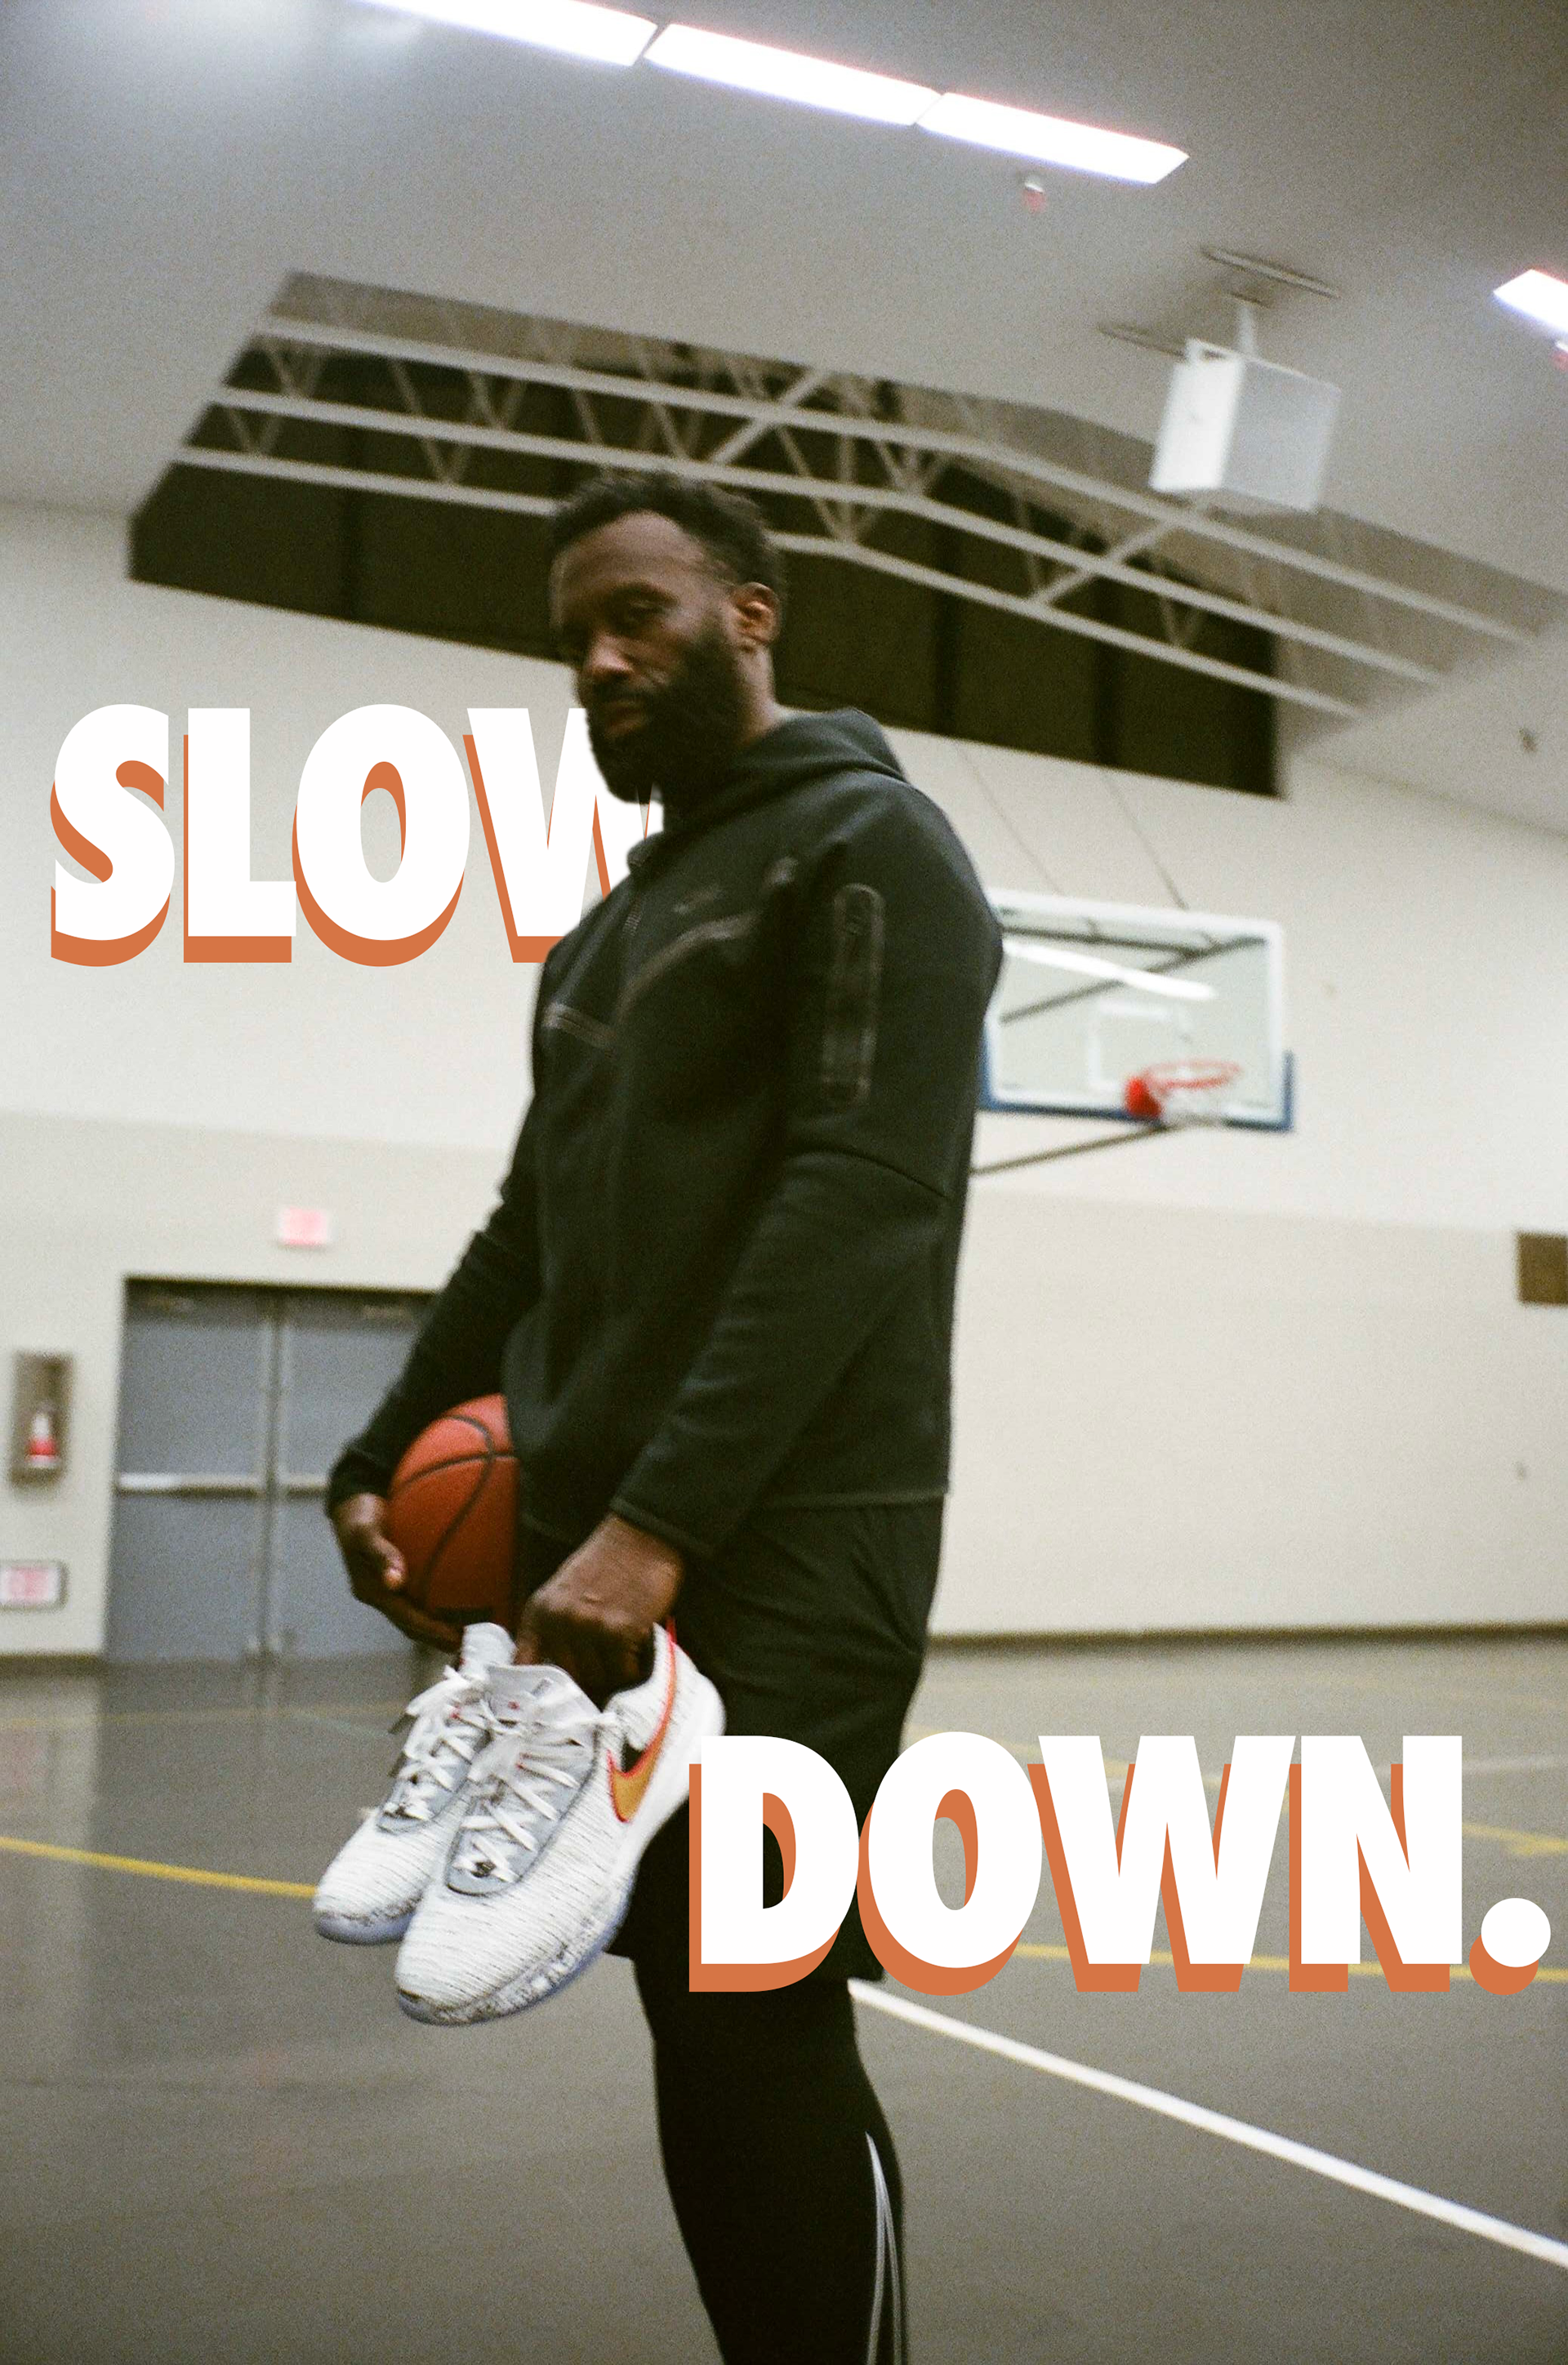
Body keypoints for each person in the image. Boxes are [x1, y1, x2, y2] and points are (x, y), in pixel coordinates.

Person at [324, 472, 1002, 2364]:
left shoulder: (874, 844)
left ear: (752, 613)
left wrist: (662, 1520)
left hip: (797, 1532)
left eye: (637, 614)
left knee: (753, 1996)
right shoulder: (605, 935)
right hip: (608, 1548)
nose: (600, 661)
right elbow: (526, 1227)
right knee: (689, 2007)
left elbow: (865, 1189)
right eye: (575, 640)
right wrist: (377, 1451)